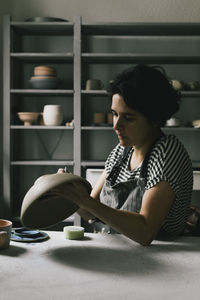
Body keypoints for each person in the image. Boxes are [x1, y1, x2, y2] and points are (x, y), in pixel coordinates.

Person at [58, 64, 193, 246]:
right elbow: (91, 210)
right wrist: (67, 192)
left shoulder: (167, 153)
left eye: (128, 118)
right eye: (114, 114)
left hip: (163, 256)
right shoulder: (122, 151)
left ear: (154, 118)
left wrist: (84, 200)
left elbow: (145, 232)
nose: (116, 125)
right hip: (123, 251)